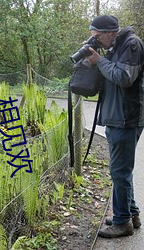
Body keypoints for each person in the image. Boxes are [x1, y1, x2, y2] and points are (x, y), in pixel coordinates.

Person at [86, 15, 144, 238]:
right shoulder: (115, 46)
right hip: (116, 117)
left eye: (98, 37)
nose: (97, 41)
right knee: (121, 171)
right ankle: (131, 214)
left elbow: (123, 77)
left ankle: (122, 223)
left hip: (126, 118)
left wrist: (99, 61)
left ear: (110, 32)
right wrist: (96, 60)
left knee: (119, 171)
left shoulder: (132, 44)